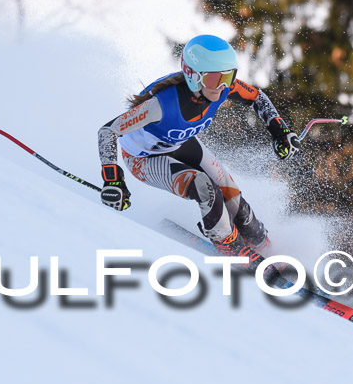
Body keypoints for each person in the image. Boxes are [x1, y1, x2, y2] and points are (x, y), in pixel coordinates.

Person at [98, 34, 301, 271]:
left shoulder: (223, 88)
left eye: (228, 77)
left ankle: (263, 244)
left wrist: (280, 131)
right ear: (194, 76)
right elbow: (107, 132)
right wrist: (113, 180)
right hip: (143, 159)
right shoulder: (162, 105)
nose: (223, 87)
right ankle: (228, 245)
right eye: (215, 79)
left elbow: (257, 97)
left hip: (179, 143)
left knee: (232, 195)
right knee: (205, 187)